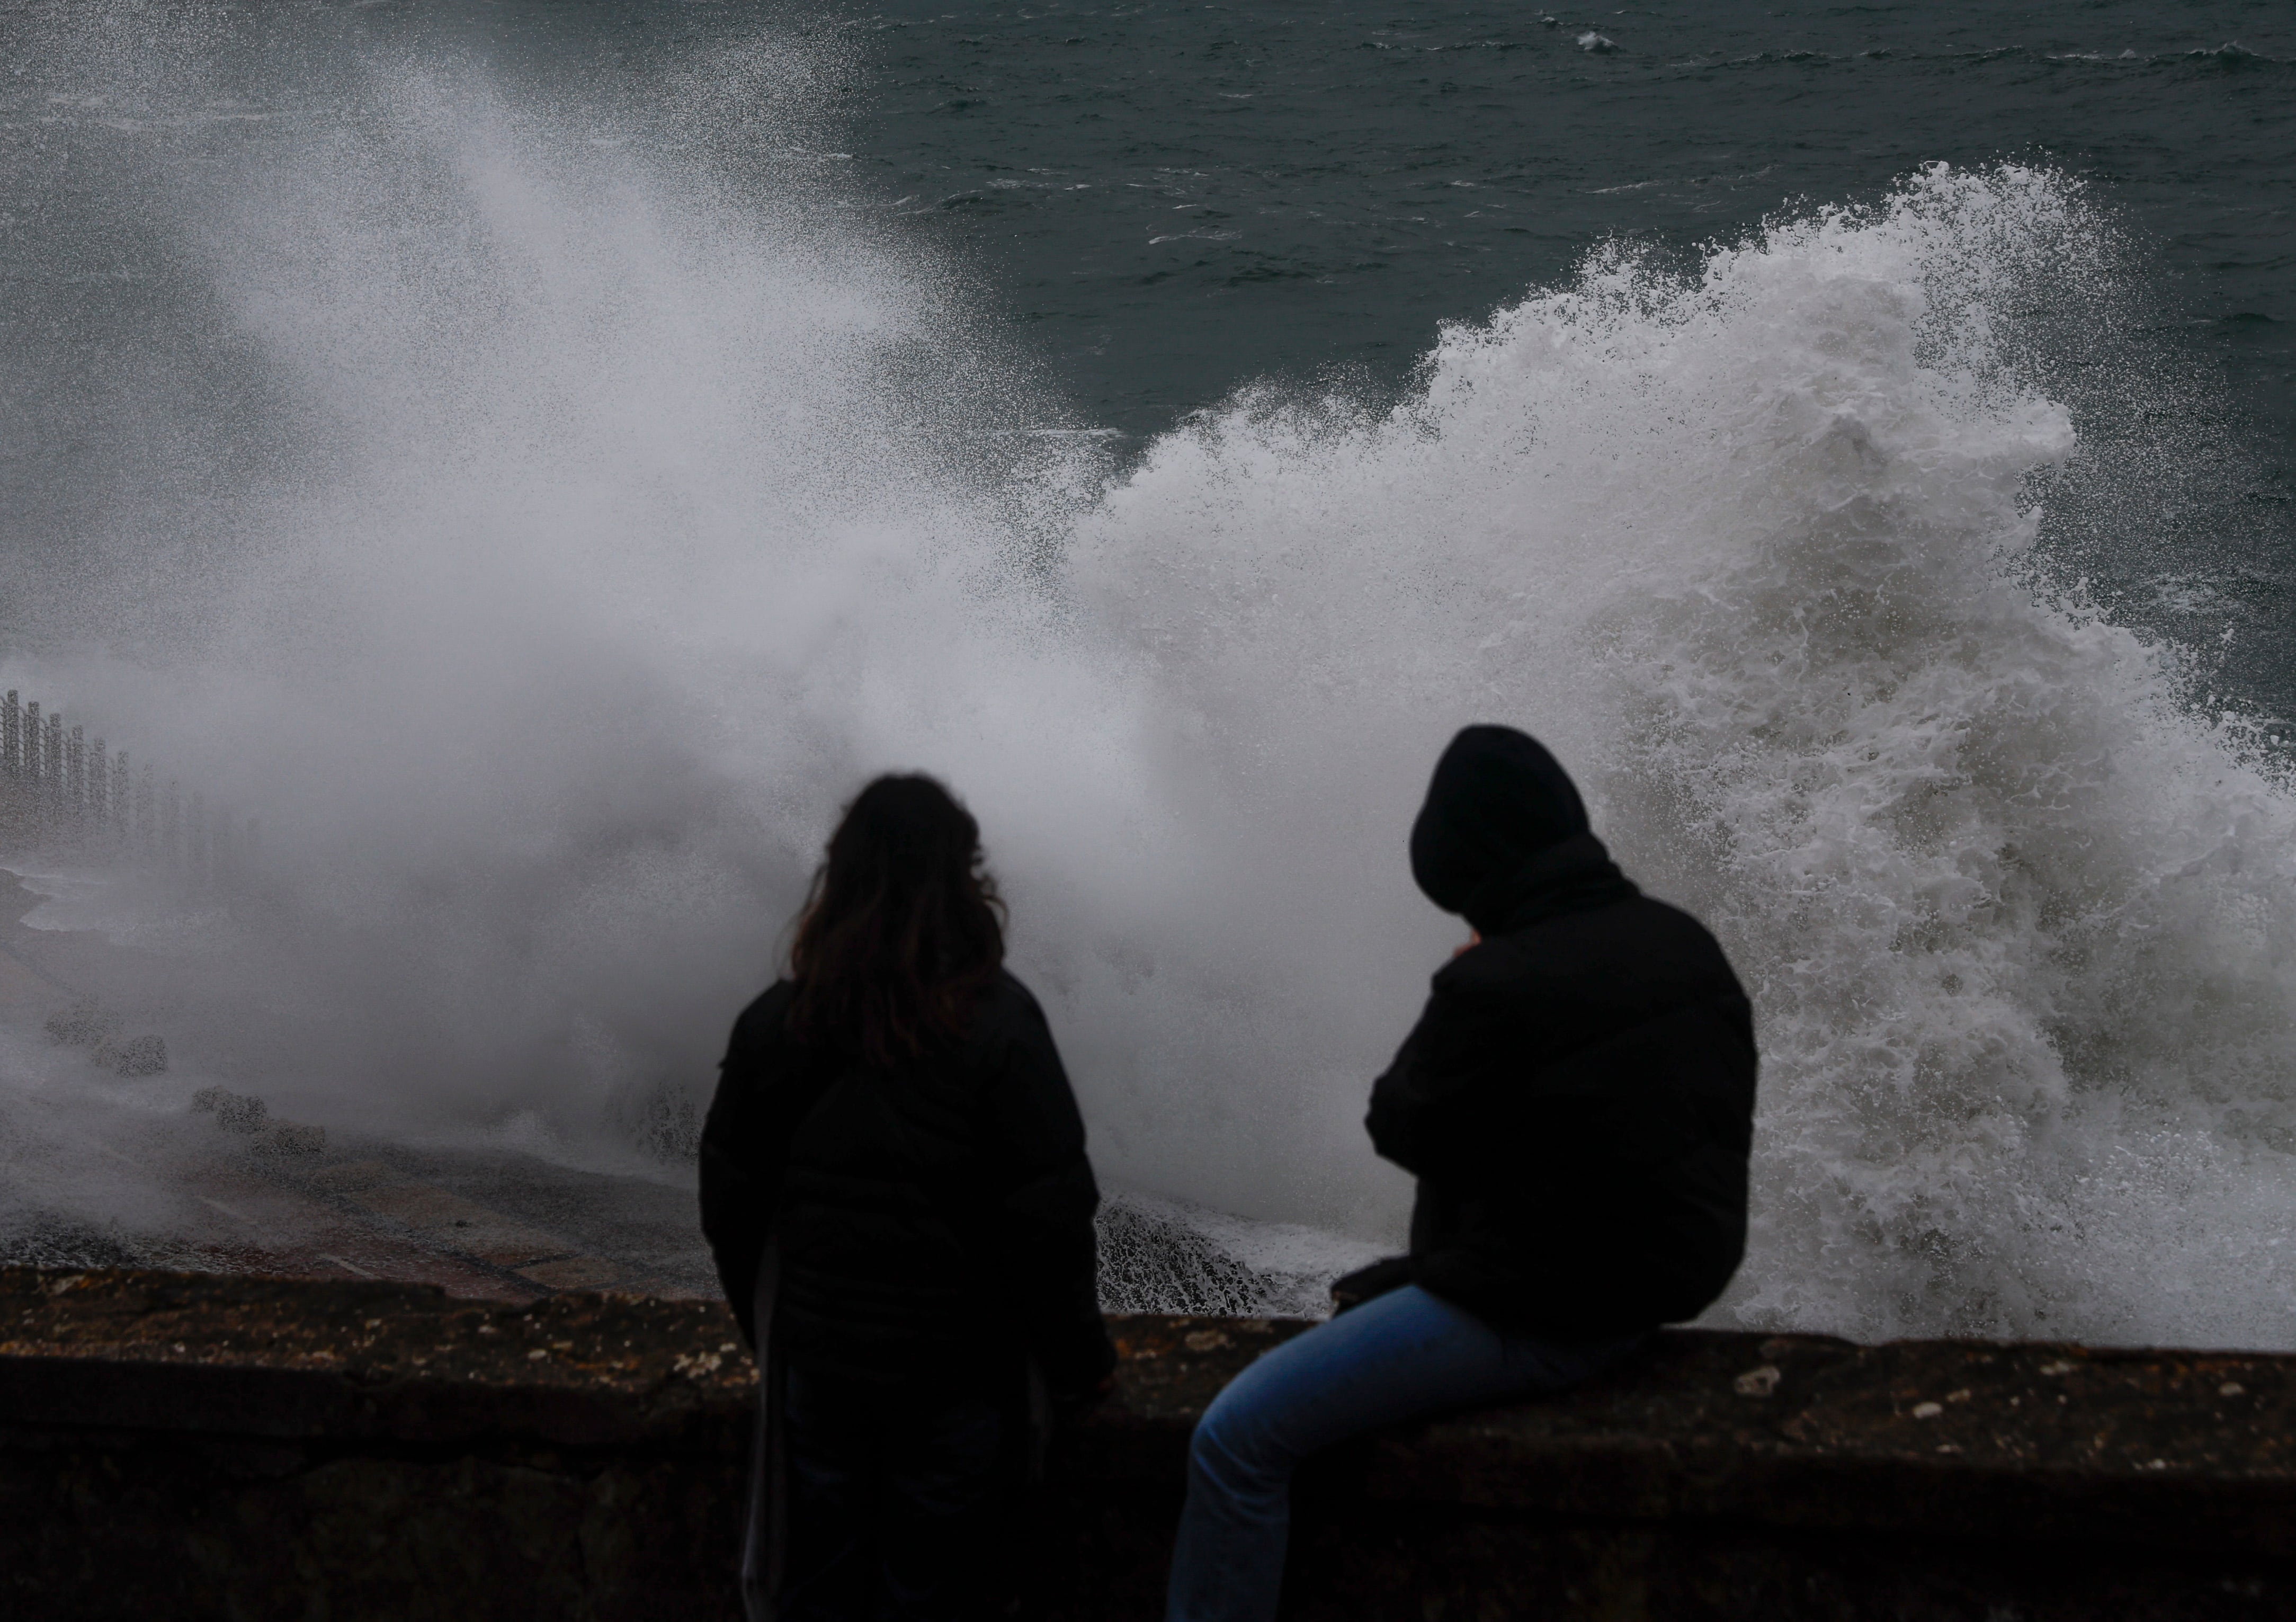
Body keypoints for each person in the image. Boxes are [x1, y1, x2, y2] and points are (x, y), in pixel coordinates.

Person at [1165, 724, 1758, 1622]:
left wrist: (1468, 979)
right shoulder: (1684, 942)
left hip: (1543, 1314)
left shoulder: (1497, 982)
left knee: (1235, 1440)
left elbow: (1401, 1123)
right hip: (1657, 1290)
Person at [700, 773, 1115, 1622]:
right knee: (933, 1593)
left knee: (818, 1589)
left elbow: (730, 1203)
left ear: (840, 879)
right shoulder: (1001, 1026)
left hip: (822, 1372)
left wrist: (772, 1335)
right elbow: (1052, 1218)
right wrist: (1080, 1368)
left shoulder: (778, 1024)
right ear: (964, 882)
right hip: (954, 1377)